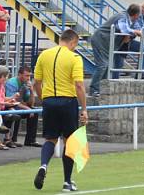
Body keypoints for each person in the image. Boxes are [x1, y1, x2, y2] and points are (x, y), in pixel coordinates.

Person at [33, 29, 87, 192]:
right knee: (70, 141)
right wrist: (84, 108)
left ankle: (43, 165)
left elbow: (36, 82)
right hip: (67, 101)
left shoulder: (44, 55)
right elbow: (79, 85)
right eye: (75, 45)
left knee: (50, 139)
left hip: (49, 101)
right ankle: (67, 181)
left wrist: (44, 100)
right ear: (72, 42)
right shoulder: (74, 58)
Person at [88, 4, 141, 97]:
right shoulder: (122, 17)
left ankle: (101, 89)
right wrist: (134, 32)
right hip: (101, 41)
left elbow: (139, 28)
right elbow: (124, 29)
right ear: (136, 15)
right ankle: (94, 90)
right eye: (138, 16)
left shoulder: (130, 20)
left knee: (108, 66)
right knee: (102, 65)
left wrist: (135, 32)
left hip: (106, 43)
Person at [5, 65, 40, 147]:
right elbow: (12, 102)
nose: (28, 78)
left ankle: (30, 140)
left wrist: (31, 91)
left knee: (34, 112)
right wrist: (27, 108)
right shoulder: (12, 83)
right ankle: (12, 140)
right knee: (17, 111)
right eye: (26, 75)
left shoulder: (26, 84)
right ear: (20, 75)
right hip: (8, 105)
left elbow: (30, 103)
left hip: (19, 105)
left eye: (29, 76)